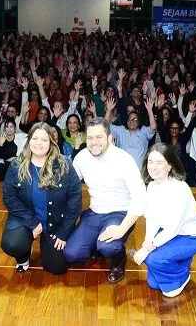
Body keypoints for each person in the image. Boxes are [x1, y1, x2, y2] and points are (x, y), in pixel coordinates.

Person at [64, 117, 147, 283]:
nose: (94, 142)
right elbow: (68, 187)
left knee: (108, 247)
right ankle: (96, 243)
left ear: (110, 138)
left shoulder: (124, 159)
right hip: (94, 212)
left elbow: (140, 198)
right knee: (71, 254)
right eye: (90, 137)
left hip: (119, 213)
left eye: (99, 137)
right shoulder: (81, 157)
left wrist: (122, 229)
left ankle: (118, 260)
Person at [2, 122, 82, 275]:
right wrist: (32, 222)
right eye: (35, 138)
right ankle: (23, 256)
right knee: (13, 244)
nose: (39, 143)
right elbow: (9, 198)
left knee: (56, 267)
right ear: (29, 140)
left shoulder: (64, 164)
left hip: (56, 223)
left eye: (44, 140)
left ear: (51, 143)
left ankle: (48, 243)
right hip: (26, 218)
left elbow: (75, 201)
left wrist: (64, 232)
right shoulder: (17, 165)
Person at [133, 143, 196, 297]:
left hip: (190, 237)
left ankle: (182, 275)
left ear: (170, 166)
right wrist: (147, 241)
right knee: (153, 284)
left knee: (153, 262)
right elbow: (151, 218)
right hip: (169, 233)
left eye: (159, 162)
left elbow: (174, 227)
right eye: (150, 162)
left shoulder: (180, 189)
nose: (153, 167)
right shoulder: (152, 186)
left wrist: (147, 249)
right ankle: (180, 261)